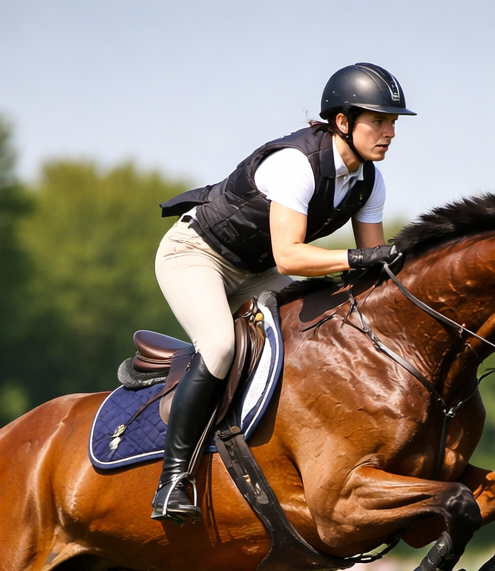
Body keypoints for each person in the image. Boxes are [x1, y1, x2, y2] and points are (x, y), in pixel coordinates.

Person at [151, 63, 416, 523]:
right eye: (379, 120)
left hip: (257, 270)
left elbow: (374, 266)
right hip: (196, 254)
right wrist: (356, 260)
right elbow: (294, 257)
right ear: (343, 122)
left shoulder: (370, 180)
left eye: (393, 121)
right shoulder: (297, 165)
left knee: (325, 328)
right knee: (218, 346)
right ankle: (172, 481)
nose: (390, 131)